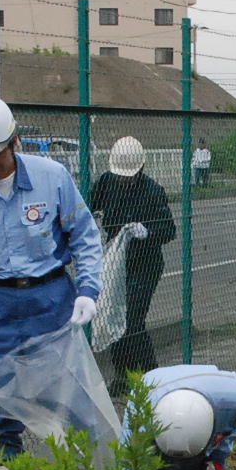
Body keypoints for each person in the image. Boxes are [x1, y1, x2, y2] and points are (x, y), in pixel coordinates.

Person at [0, 95, 105, 454]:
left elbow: (85, 236)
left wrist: (88, 290)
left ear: (15, 141)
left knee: (72, 405)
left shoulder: (53, 178)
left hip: (51, 302)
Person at [90, 135, 177, 379]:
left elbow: (169, 230)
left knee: (132, 321)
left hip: (145, 264)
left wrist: (147, 232)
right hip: (116, 262)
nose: (123, 180)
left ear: (140, 169)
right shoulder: (106, 183)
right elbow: (87, 205)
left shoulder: (153, 192)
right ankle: (123, 376)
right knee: (114, 318)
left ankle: (151, 376)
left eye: (127, 176)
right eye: (120, 175)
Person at [134, 363, 236, 470]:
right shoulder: (140, 408)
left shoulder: (233, 401)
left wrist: (219, 452)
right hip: (154, 388)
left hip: (219, 398)